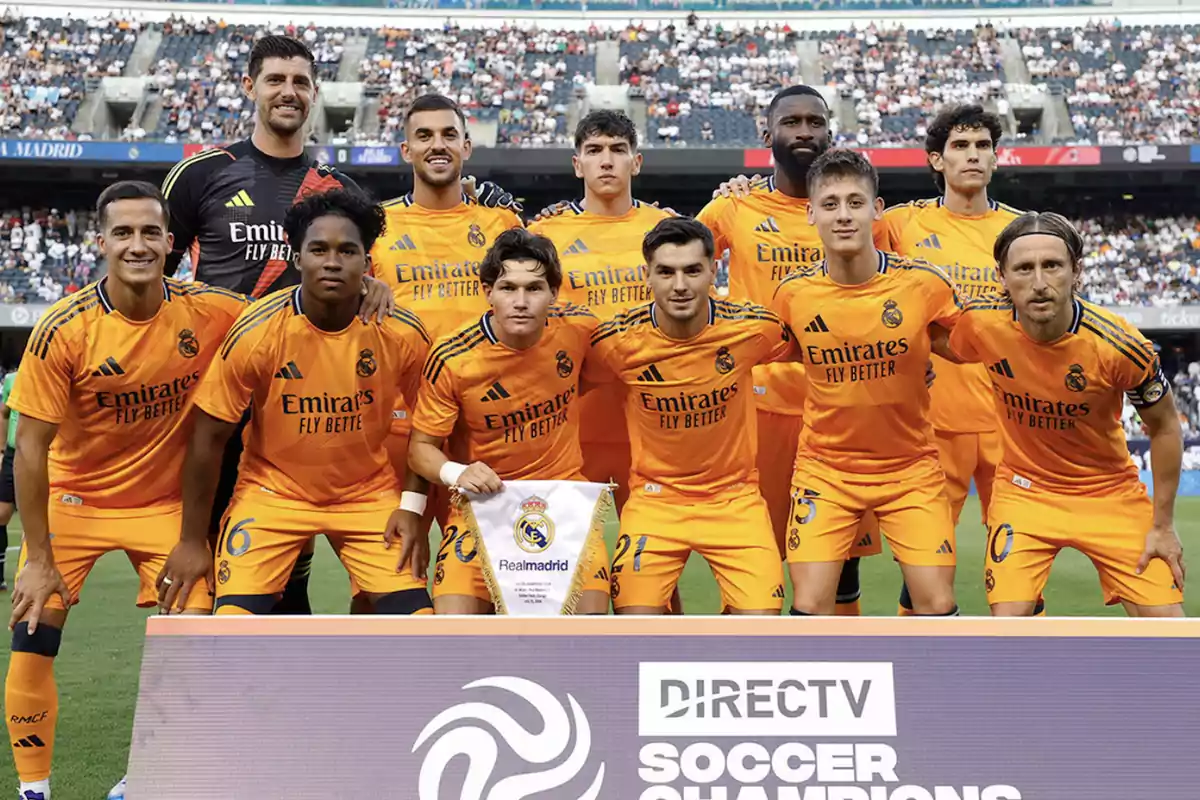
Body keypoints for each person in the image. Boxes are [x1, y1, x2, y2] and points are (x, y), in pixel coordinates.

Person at [4, 181, 247, 800]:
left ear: (171, 242)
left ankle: (143, 781)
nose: (137, 245)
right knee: (34, 635)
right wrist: (36, 558)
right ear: (101, 242)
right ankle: (35, 790)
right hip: (74, 505)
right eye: (123, 233)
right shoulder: (65, 328)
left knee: (196, 645)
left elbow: (291, 312)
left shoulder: (212, 311)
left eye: (149, 233)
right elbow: (29, 448)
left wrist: (373, 288)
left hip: (163, 510)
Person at [160, 34, 391, 617]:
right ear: (250, 87)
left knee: (291, 559)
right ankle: (214, 694)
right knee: (211, 564)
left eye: (300, 82)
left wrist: (379, 283)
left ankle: (291, 683)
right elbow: (154, 277)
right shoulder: (200, 175)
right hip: (219, 392)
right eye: (275, 80)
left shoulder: (340, 189)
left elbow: (368, 281)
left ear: (314, 94)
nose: (288, 92)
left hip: (300, 398)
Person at [157, 190, 433, 618]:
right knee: (233, 629)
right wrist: (193, 541)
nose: (332, 262)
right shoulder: (259, 330)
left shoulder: (401, 332)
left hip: (366, 496)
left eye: (348, 251)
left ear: (366, 261)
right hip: (272, 494)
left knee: (418, 627)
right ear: (297, 257)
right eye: (318, 249)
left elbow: (429, 425)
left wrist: (412, 508)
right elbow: (208, 439)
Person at [697, 86, 886, 616]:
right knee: (752, 552)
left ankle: (838, 667)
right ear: (768, 135)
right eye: (791, 122)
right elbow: (681, 264)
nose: (803, 131)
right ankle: (751, 665)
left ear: (831, 133)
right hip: (758, 410)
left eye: (815, 122)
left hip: (846, 409)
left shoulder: (855, 211)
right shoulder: (734, 206)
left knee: (841, 563)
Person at [947, 212, 1185, 617]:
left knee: (1171, 633)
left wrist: (1162, 526)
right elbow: (940, 346)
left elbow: (1164, 426)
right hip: (1025, 491)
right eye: (1023, 268)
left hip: (1109, 495)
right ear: (1002, 276)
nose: (1039, 283)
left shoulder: (1120, 346)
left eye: (1052, 266)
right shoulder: (979, 324)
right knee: (1006, 630)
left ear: (1076, 272)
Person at [773, 150, 961, 617]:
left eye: (856, 202)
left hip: (910, 469)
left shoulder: (923, 285)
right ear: (811, 212)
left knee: (936, 602)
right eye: (831, 203)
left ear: (877, 211)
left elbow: (973, 345)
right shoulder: (792, 295)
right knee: (810, 603)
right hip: (826, 471)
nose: (843, 215)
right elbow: (771, 351)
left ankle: (930, 690)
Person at [590, 217, 799, 615]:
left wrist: (913, 363)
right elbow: (560, 376)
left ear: (713, 269)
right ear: (646, 275)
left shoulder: (753, 328)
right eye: (666, 272)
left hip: (734, 499)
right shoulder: (615, 341)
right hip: (656, 501)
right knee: (634, 624)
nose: (680, 285)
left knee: (763, 623)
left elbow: (818, 349)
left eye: (692, 270)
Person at [402, 228, 612, 615]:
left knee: (591, 634)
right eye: (507, 288)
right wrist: (456, 472)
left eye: (534, 289)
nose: (520, 302)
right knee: (454, 635)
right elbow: (420, 450)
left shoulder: (581, 330)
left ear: (554, 294)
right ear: (488, 292)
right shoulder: (453, 356)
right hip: (482, 509)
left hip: (564, 505)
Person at [880, 103, 1037, 616]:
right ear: (935, 160)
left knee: (1022, 570)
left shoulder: (1024, 233)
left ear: (996, 158)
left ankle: (1024, 677)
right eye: (960, 146)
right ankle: (917, 675)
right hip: (929, 424)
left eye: (983, 146)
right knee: (925, 578)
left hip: (1011, 423)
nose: (973, 155)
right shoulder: (901, 224)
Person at [369, 94, 524, 593]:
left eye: (448, 135)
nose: (438, 145)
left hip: (485, 431)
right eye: (424, 136)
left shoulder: (502, 225)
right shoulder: (373, 228)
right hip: (397, 428)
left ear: (467, 146)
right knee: (388, 585)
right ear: (405, 150)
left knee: (497, 584)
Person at [529, 111, 674, 519]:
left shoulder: (666, 228)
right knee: (566, 565)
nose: (606, 161)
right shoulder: (547, 235)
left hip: (653, 428)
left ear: (636, 161)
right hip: (571, 430)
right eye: (594, 151)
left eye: (617, 150)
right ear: (578, 164)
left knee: (655, 565)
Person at [0, 367, 19, 591]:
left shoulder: (54, 376)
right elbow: (4, 414)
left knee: (39, 516)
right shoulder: (12, 380)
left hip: (46, 452)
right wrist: (2, 449)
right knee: (2, 514)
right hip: (14, 452)